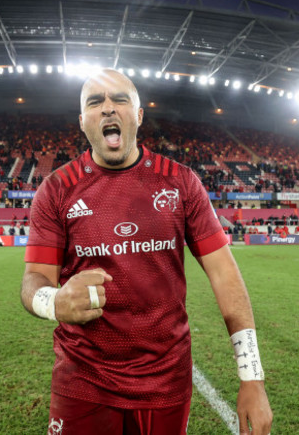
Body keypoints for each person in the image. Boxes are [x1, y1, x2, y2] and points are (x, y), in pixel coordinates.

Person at [20, 69, 272, 434]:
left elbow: (224, 273)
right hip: (83, 380)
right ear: (82, 122)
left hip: (165, 383)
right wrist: (52, 302)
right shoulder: (56, 189)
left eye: (120, 99)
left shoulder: (181, 182)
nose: (108, 108)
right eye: (95, 102)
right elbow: (34, 279)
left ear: (138, 116)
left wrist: (252, 377)